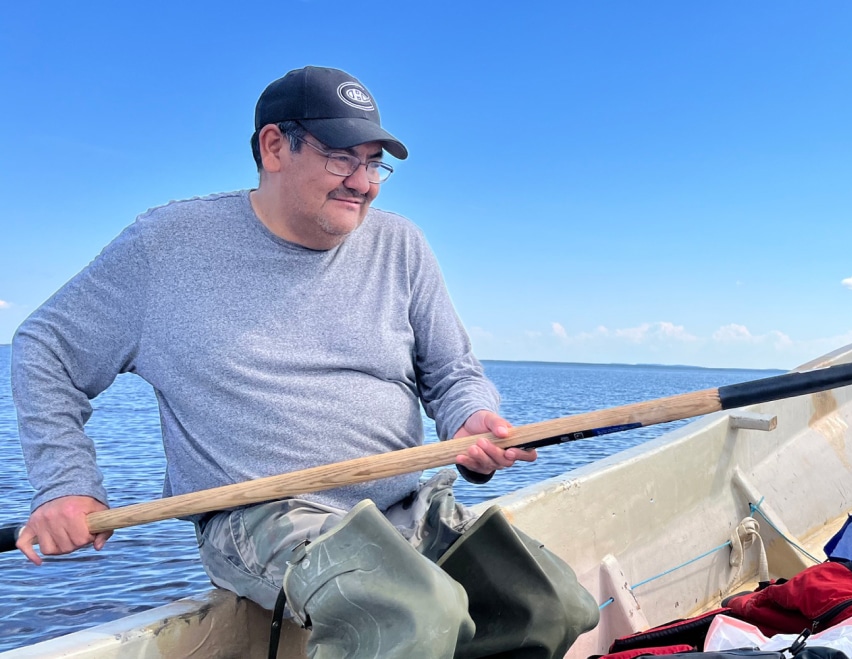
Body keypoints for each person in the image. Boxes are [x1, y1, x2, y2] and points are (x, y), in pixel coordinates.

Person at [11, 66, 596, 657]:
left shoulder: (402, 245)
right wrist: (66, 485)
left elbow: (451, 375)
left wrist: (471, 420)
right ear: (273, 147)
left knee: (550, 607)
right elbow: (45, 349)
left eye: (374, 164)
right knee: (410, 615)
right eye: (342, 158)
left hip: (403, 508)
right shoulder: (167, 247)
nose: (364, 183)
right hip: (262, 518)